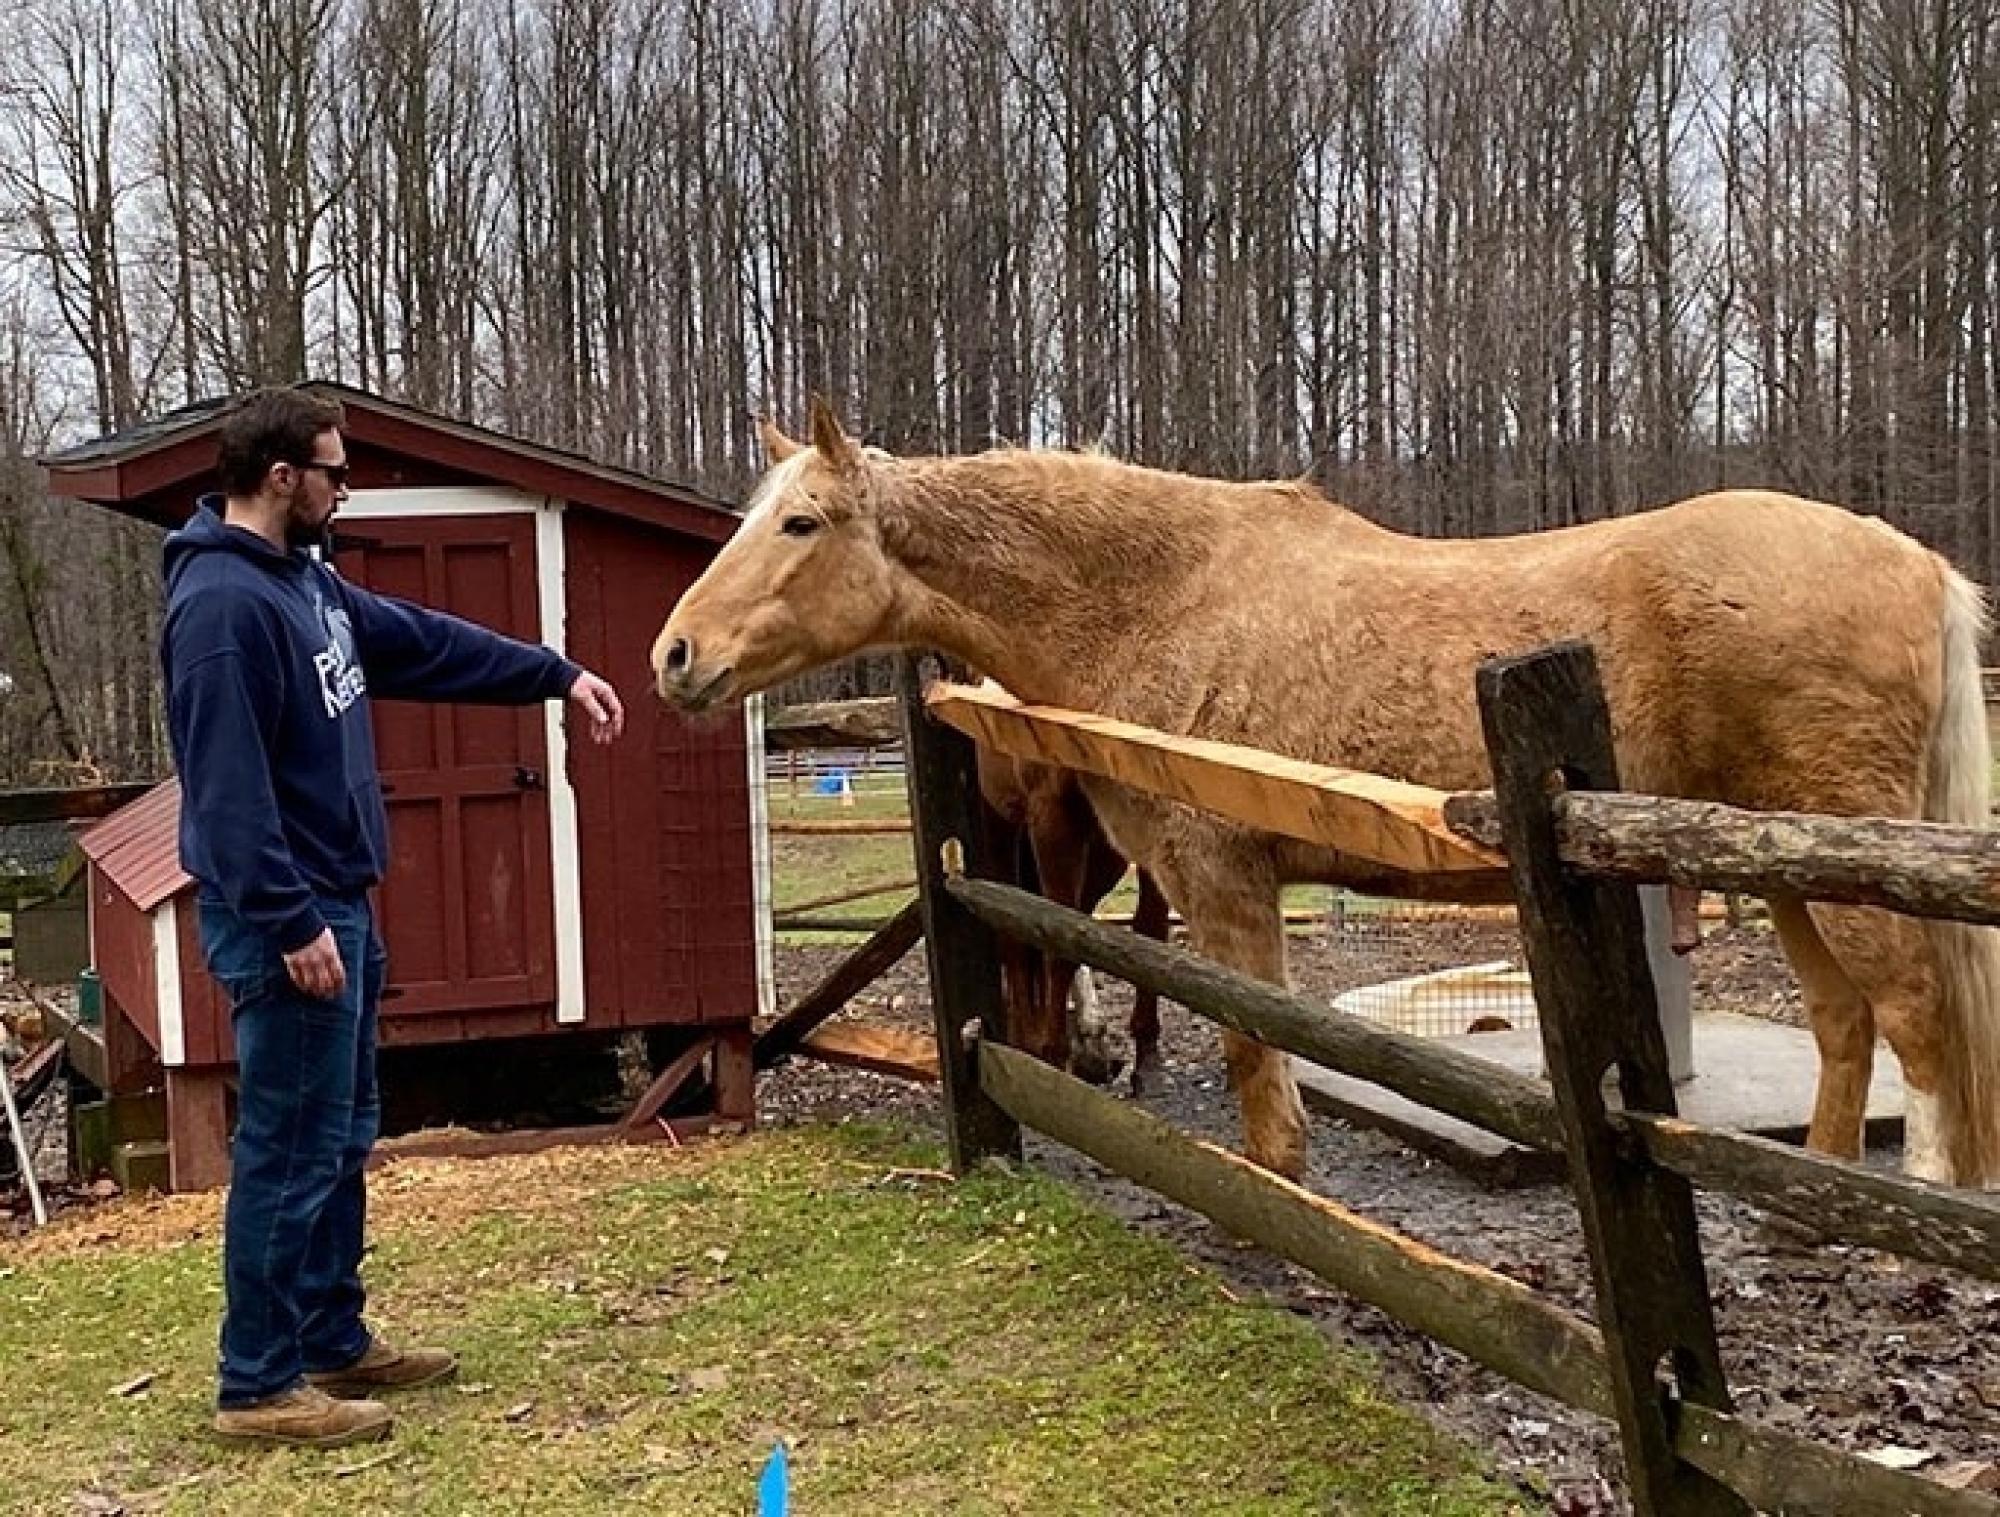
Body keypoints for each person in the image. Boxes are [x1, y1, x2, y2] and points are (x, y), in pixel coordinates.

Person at [161, 388, 625, 1448]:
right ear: (282, 477)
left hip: (336, 901)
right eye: (335, 471)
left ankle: (329, 1335)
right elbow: (226, 794)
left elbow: (419, 642)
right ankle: (256, 1382)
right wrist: (290, 922)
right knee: (287, 1147)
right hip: (287, 916)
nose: (346, 487)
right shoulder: (222, 610)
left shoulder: (303, 580)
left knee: (339, 1136)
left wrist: (554, 674)